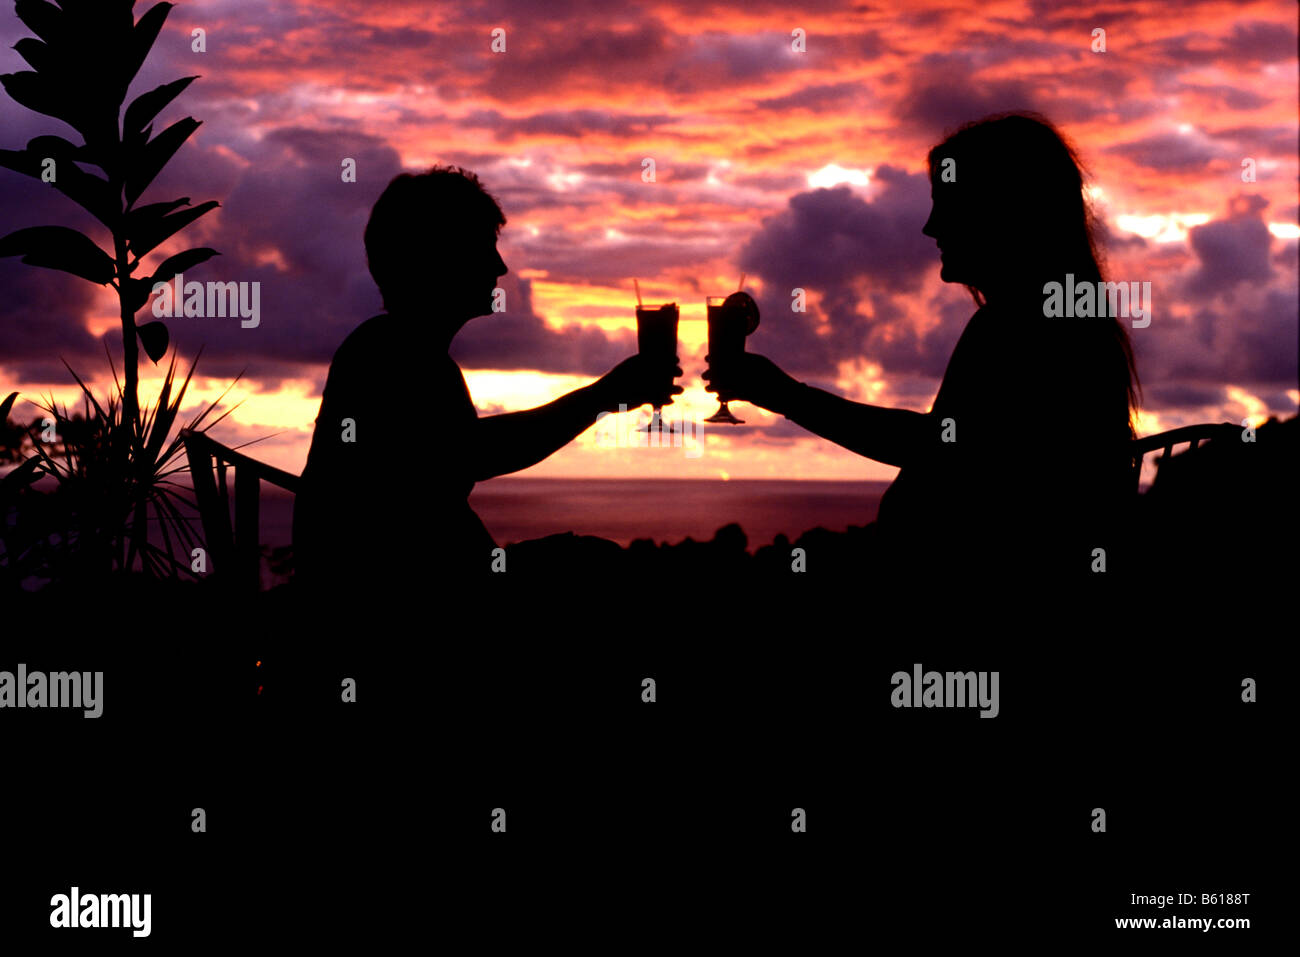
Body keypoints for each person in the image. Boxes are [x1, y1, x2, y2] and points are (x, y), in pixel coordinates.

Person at [705, 113, 1142, 583]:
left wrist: (786, 396)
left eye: (947, 206)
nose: (931, 228)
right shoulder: (1053, 320)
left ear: (1000, 211)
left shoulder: (1025, 327)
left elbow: (941, 448)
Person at [293, 166, 680, 596]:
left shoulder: (390, 350)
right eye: (484, 247)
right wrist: (605, 397)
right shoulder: (390, 355)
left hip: (420, 588)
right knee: (607, 572)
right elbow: (472, 453)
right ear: (439, 257)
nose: (500, 266)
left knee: (596, 561)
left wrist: (606, 396)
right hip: (397, 608)